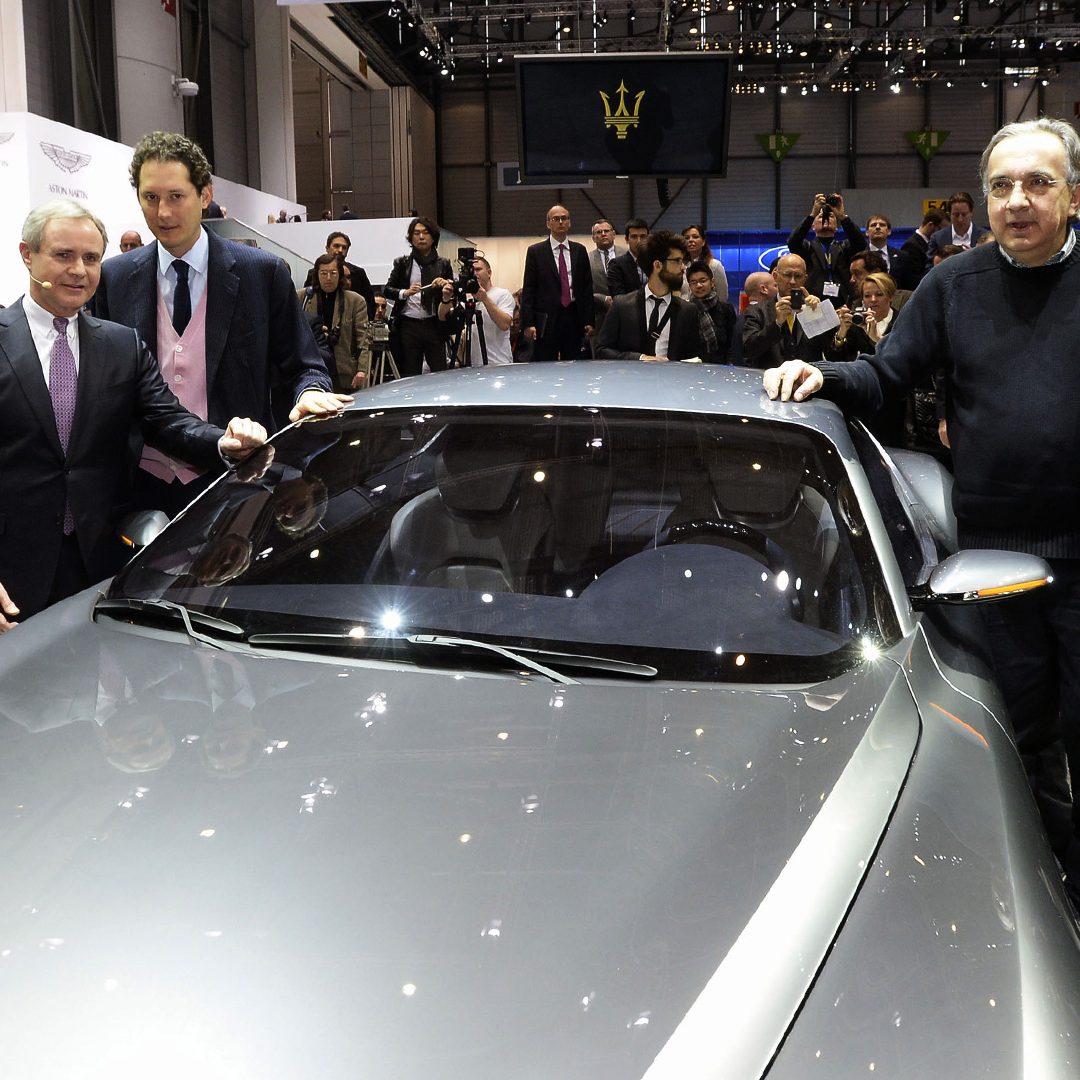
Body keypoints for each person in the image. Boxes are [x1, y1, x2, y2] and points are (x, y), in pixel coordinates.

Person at [763, 117, 1080, 904]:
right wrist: (824, 374)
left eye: (1038, 183)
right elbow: (888, 375)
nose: (1017, 200)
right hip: (992, 566)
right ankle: (1041, 893)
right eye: (1001, 186)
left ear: (1073, 196)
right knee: (1014, 739)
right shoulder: (953, 285)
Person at [0, 199, 267, 630]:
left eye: (91, 258)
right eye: (64, 255)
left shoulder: (121, 345)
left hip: (99, 571)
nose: (79, 271)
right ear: (27, 255)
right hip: (10, 577)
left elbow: (168, 420)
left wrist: (224, 441)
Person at [93, 131, 343, 517]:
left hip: (237, 480)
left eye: (176, 196)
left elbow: (304, 364)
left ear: (205, 195)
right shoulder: (114, 278)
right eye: (150, 197)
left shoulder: (262, 273)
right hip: (138, 484)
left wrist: (308, 392)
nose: (163, 213)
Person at [595, 230, 703, 363]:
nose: (683, 268)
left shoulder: (688, 310)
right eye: (677, 261)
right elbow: (602, 350)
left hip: (672, 375)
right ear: (657, 265)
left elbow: (692, 356)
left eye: (683, 261)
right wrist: (639, 358)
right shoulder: (622, 305)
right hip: (631, 375)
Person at [520, 204, 593, 362]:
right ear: (548, 224)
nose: (560, 222)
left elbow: (587, 287)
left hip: (574, 316)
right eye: (556, 219)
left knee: (574, 363)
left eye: (564, 218)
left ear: (569, 222)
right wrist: (528, 323)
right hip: (546, 319)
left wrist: (589, 320)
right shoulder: (535, 252)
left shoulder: (579, 250)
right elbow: (529, 289)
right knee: (545, 362)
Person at [382, 216, 453, 377]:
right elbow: (387, 290)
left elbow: (452, 289)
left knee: (440, 371)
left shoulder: (443, 263)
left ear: (433, 237)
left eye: (425, 233)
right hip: (409, 324)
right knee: (410, 372)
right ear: (410, 238)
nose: (421, 237)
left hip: (434, 322)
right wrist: (405, 293)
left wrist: (446, 284)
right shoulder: (402, 263)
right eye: (416, 233)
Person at [742, 253, 829, 369]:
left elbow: (830, 353)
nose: (792, 281)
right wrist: (777, 324)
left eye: (798, 276)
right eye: (787, 275)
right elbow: (748, 350)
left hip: (808, 378)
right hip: (769, 377)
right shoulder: (757, 311)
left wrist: (818, 316)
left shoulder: (814, 309)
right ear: (775, 276)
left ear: (805, 278)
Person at [299, 254, 371, 394]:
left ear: (340, 275)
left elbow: (364, 340)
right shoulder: (302, 297)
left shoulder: (355, 301)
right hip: (310, 369)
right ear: (316, 274)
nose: (328, 278)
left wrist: (362, 370)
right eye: (323, 273)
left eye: (333, 273)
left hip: (345, 371)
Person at [787, 191, 867, 306]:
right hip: (813, 302)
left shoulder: (844, 247)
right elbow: (793, 242)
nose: (826, 219)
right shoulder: (807, 248)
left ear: (837, 226)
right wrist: (812, 214)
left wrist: (842, 217)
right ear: (813, 225)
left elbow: (860, 243)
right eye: (820, 217)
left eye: (831, 216)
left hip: (844, 303)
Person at [437, 256, 515, 366]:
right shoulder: (466, 299)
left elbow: (505, 324)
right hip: (473, 365)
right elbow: (442, 316)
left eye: (478, 269)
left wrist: (485, 299)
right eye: (471, 270)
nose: (474, 273)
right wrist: (446, 298)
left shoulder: (502, 294)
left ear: (489, 273)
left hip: (498, 363)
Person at [305, 231, 377, 320]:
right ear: (327, 248)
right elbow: (307, 300)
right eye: (336, 246)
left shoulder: (358, 273)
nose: (340, 250)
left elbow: (370, 303)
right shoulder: (313, 273)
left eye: (344, 247)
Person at [685, 259, 736, 363]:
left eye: (703, 281)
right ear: (689, 286)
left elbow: (733, 344)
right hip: (694, 367)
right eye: (693, 282)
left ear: (712, 282)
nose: (699, 285)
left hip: (722, 367)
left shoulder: (726, 309)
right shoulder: (686, 311)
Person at [925, 190, 989, 264]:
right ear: (949, 214)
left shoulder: (986, 237)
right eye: (956, 215)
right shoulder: (937, 238)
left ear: (971, 213)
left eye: (964, 214)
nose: (960, 219)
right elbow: (929, 267)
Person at [588, 218, 623, 334]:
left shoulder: (626, 254)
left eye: (606, 231)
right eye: (598, 232)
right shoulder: (586, 259)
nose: (603, 234)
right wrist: (603, 299)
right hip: (599, 316)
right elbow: (583, 289)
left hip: (626, 314)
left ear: (614, 234)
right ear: (593, 238)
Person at [680, 224, 729, 301]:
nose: (690, 240)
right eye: (687, 238)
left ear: (703, 242)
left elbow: (722, 296)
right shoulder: (680, 266)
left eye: (695, 237)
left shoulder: (715, 265)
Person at [607, 218, 650, 296]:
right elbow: (617, 296)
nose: (639, 241)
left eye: (643, 236)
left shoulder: (656, 263)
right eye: (634, 237)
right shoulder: (616, 265)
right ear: (627, 239)